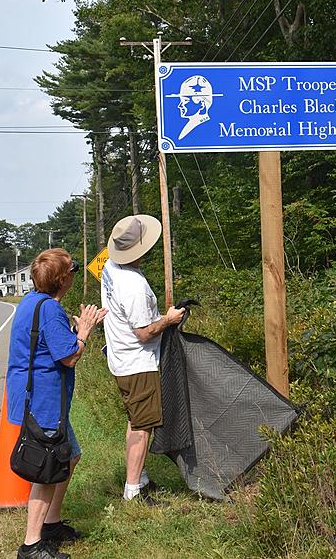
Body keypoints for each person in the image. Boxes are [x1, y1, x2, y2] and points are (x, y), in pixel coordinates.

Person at [6, 249, 106, 559]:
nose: (75, 274)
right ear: (63, 280)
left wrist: (75, 332)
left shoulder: (32, 302)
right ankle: (32, 545)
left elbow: (53, 345)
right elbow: (69, 356)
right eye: (72, 271)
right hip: (43, 399)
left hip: (36, 396)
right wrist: (86, 330)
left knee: (70, 456)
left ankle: (50, 524)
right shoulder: (49, 309)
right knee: (48, 468)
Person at [101, 214, 185, 503]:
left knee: (135, 420)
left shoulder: (109, 267)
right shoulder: (133, 286)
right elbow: (143, 333)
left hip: (119, 357)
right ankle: (133, 490)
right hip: (137, 362)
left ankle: (140, 476)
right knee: (142, 427)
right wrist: (169, 319)